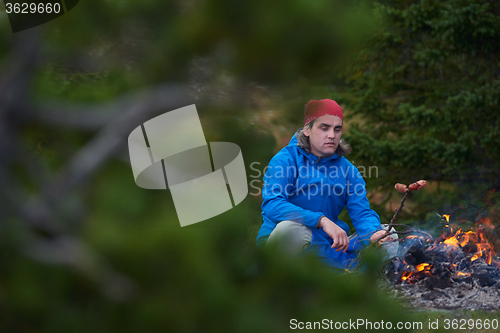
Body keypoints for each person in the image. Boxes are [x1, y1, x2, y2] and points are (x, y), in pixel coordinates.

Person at [256, 99, 396, 269]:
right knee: (289, 229)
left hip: (328, 247)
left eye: (337, 129)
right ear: (307, 129)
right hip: (288, 246)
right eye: (324, 128)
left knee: (389, 234)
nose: (332, 135)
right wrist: (321, 220)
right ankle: (275, 282)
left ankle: (359, 282)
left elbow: (361, 213)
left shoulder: (348, 171)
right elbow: (272, 204)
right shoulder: (285, 160)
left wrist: (374, 233)